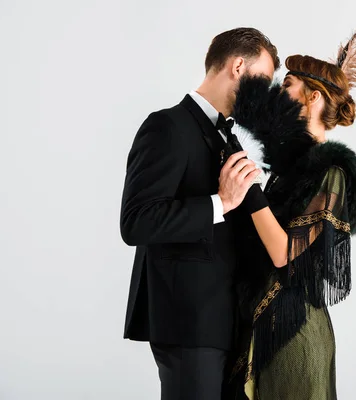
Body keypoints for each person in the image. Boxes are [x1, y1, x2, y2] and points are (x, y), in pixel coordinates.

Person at [223, 23, 356, 399]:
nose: (276, 92)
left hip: (293, 340)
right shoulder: (286, 171)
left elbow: (284, 253)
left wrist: (250, 191)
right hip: (259, 327)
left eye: (286, 85)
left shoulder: (331, 173)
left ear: (313, 98)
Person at [119, 27, 279, 400]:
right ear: (238, 66)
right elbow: (136, 222)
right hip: (188, 325)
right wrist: (219, 202)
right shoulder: (167, 125)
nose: (266, 94)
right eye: (264, 80)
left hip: (227, 325)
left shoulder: (229, 137)